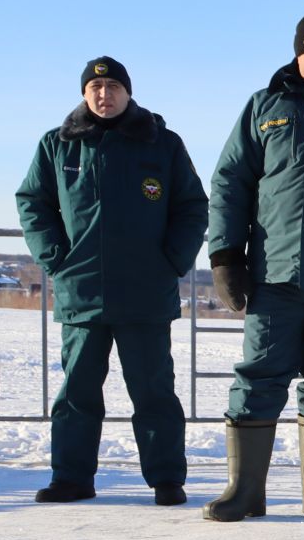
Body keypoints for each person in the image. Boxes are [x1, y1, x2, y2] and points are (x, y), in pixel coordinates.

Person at [15, 56, 208, 504]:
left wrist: (172, 263)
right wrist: (56, 259)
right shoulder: (58, 145)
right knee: (77, 392)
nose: (105, 96)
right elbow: (32, 203)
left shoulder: (162, 144)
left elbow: (192, 207)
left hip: (145, 292)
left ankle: (166, 479)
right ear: (85, 94)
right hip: (81, 292)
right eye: (95, 89)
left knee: (153, 389)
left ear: (128, 92)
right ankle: (72, 478)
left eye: (114, 87)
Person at [202, 10, 304, 522]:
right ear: (299, 55)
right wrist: (226, 255)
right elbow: (229, 181)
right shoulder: (265, 108)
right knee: (258, 378)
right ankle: (245, 490)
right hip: (275, 274)